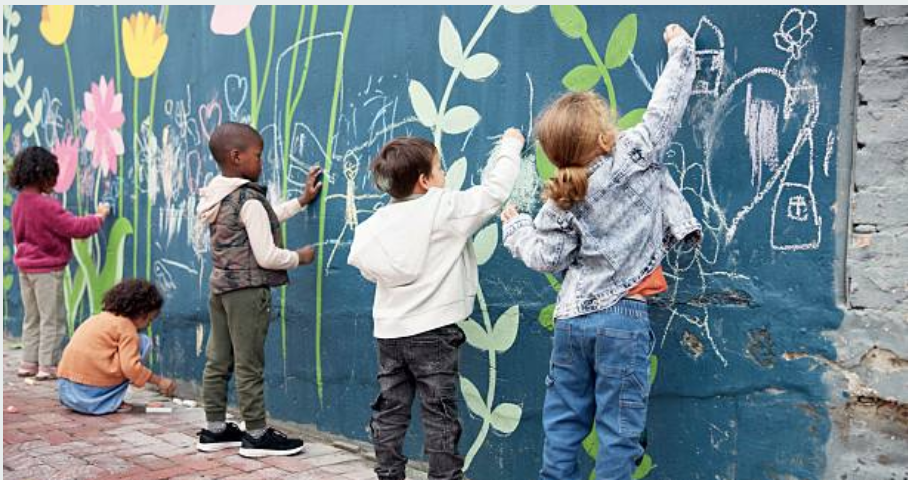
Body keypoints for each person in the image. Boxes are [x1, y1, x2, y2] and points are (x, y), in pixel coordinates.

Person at [500, 24, 701, 480]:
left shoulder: (559, 200)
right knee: (618, 429)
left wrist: (515, 226)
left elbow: (544, 257)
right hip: (622, 319)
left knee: (564, 421)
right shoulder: (637, 152)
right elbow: (667, 103)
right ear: (607, 136)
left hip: (571, 319)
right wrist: (681, 48)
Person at [348, 129, 525, 480]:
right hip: (434, 334)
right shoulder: (443, 207)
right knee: (439, 411)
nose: (445, 176)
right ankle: (445, 476)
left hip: (389, 333)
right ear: (425, 181)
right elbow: (494, 193)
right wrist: (510, 145)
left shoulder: (376, 226)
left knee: (390, 409)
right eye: (440, 169)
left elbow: (370, 270)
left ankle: (388, 473)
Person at [195, 122, 322, 457]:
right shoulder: (248, 198)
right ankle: (256, 435)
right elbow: (266, 255)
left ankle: (215, 430)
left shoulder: (218, 195)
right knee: (249, 364)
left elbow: (262, 220)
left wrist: (300, 201)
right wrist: (300, 258)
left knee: (217, 360)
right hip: (248, 292)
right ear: (237, 157)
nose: (262, 161)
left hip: (221, 289)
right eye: (258, 155)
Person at [8, 145, 109, 380]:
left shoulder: (20, 203)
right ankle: (48, 365)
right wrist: (99, 217)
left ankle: (28, 363)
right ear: (44, 175)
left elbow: (19, 236)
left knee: (32, 318)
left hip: (26, 268)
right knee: (52, 318)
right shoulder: (46, 205)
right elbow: (75, 228)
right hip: (47, 270)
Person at [57, 279, 175, 414]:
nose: (148, 324)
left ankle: (110, 398)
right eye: (149, 319)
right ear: (141, 313)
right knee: (143, 342)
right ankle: (111, 400)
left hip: (67, 392)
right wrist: (159, 381)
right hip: (92, 397)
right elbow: (130, 368)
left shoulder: (97, 318)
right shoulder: (127, 328)